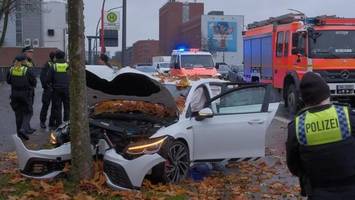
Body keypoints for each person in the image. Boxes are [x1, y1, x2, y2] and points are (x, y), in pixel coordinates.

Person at [286, 72, 355, 200]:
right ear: (327, 93)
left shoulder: (297, 126)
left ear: (303, 99)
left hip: (318, 192)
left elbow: (294, 166)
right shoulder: (347, 116)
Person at [7, 55, 37, 140]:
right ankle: (23, 129)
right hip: (25, 95)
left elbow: (8, 81)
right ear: (24, 61)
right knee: (28, 112)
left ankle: (19, 135)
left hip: (14, 95)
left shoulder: (11, 69)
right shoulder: (27, 70)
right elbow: (34, 82)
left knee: (18, 114)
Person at [47, 50, 70, 129]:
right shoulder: (67, 65)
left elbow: (48, 78)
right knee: (67, 107)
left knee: (57, 107)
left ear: (56, 57)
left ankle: (59, 124)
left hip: (56, 90)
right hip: (67, 89)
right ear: (64, 56)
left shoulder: (54, 66)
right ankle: (67, 123)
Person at [39, 51, 56, 129]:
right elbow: (42, 76)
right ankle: (42, 121)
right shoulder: (47, 64)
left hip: (55, 89)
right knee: (45, 106)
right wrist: (46, 86)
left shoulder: (56, 65)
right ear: (53, 57)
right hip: (48, 89)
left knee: (54, 106)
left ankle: (51, 122)